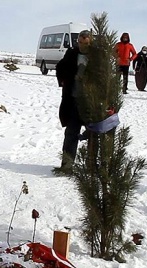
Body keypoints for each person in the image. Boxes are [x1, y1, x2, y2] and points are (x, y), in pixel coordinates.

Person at [53, 30, 92, 175]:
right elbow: (60, 68)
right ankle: (67, 166)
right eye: (80, 43)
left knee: (93, 135)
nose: (82, 46)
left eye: (86, 43)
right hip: (73, 101)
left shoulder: (96, 57)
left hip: (90, 104)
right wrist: (65, 80)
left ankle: (91, 168)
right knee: (71, 134)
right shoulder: (71, 54)